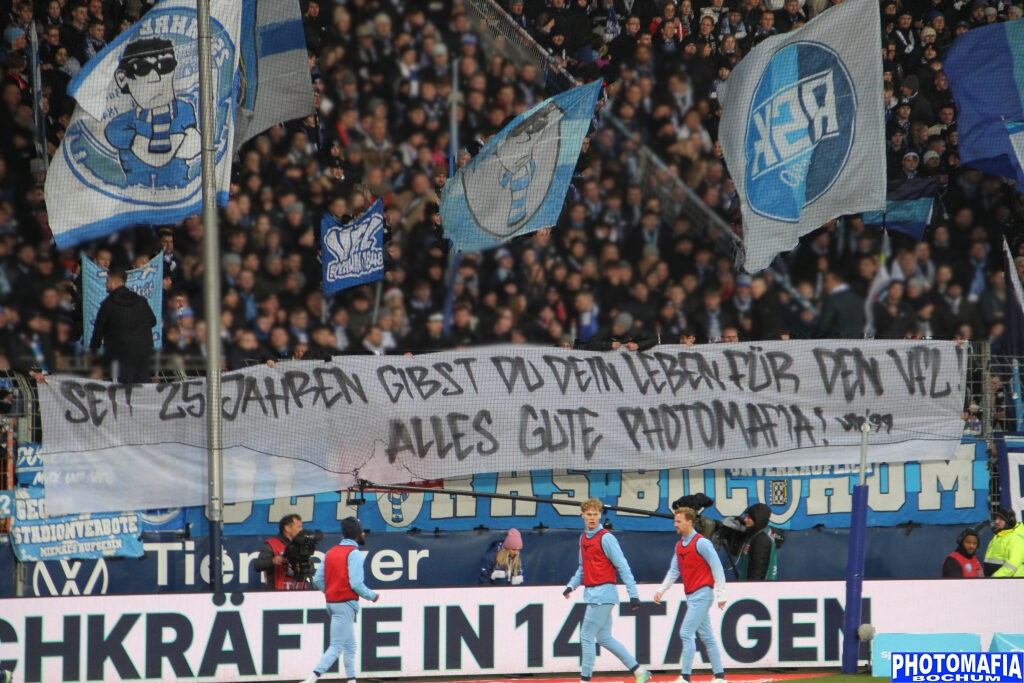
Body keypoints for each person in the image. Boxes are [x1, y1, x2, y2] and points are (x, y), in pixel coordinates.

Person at [563, 498, 650, 683]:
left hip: (603, 594)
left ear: (600, 515)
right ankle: (639, 671)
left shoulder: (606, 538)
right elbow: (582, 567)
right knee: (603, 637)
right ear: (582, 516)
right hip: (594, 594)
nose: (592, 518)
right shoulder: (583, 538)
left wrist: (633, 594)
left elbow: (623, 566)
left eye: (595, 514)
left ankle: (585, 679)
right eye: (589, 514)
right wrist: (572, 585)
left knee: (586, 635)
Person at [654, 507, 728, 683]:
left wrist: (721, 594)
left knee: (686, 632)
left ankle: (685, 676)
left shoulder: (702, 543)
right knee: (707, 636)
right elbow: (674, 570)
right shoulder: (680, 545)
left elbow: (717, 567)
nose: (675, 525)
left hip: (703, 593)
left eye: (678, 521)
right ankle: (719, 676)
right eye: (675, 521)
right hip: (692, 595)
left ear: (689, 521)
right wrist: (661, 589)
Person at [302, 517, 379, 683]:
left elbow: (318, 580)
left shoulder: (331, 552)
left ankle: (351, 680)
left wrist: (330, 591)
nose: (364, 532)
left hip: (332, 603)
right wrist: (372, 596)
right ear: (358, 534)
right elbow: (356, 583)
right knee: (336, 646)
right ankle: (311, 679)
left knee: (350, 645)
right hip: (344, 604)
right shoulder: (354, 554)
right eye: (362, 530)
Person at [89, 266, 157, 383]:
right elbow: (153, 321)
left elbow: (98, 332)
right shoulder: (141, 301)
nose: (106, 284)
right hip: (143, 353)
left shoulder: (108, 304)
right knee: (144, 389)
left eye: (107, 281)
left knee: (122, 392)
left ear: (114, 282)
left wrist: (93, 352)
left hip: (119, 356)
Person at [253, 514, 306, 590]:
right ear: (287, 528)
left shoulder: (301, 544)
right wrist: (272, 561)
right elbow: (257, 566)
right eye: (299, 527)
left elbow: (310, 569)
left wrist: (302, 567)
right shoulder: (271, 544)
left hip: (299, 593)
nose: (301, 529)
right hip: (276, 593)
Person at [737, 503, 778, 580]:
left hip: (758, 589)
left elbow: (758, 572)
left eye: (748, 517)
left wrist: (752, 589)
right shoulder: (761, 532)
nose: (745, 519)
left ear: (757, 519)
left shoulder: (761, 540)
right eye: (745, 516)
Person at [983, 507, 1024, 577]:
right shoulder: (997, 537)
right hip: (996, 581)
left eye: (1001, 519)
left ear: (1009, 522)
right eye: (996, 518)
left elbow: (1012, 564)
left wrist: (994, 578)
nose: (996, 521)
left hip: (1011, 582)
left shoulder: (1016, 539)